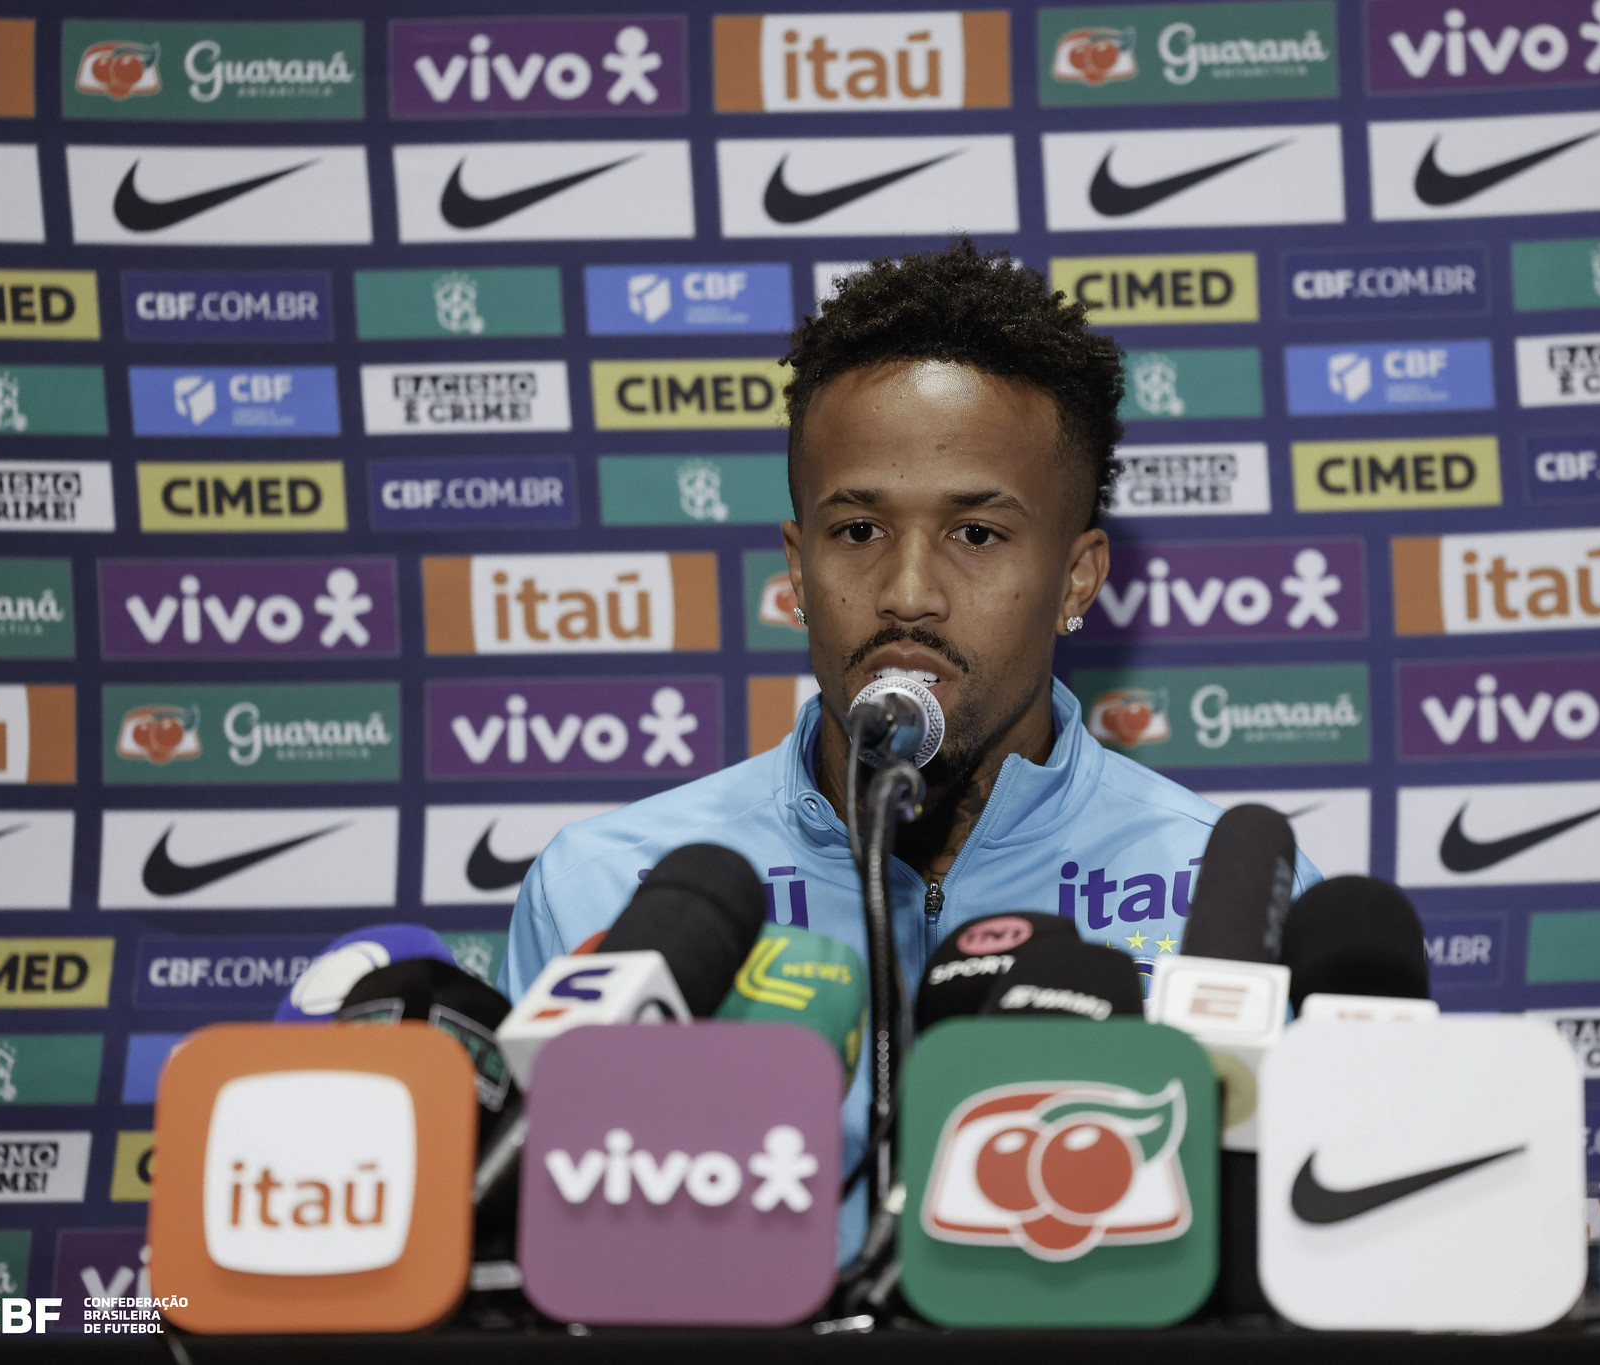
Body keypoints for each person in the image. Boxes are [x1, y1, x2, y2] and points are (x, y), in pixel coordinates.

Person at [500, 238, 1321, 1246]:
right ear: (797, 569)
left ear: (1076, 577)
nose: (907, 593)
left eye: (976, 534)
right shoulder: (608, 888)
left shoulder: (1234, 901)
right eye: (857, 531)